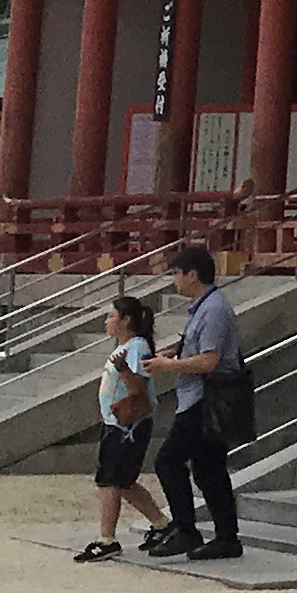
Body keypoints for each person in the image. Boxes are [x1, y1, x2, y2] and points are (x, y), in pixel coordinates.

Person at [142, 240, 246, 562]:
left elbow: (209, 360)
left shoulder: (213, 309)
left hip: (204, 398)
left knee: (169, 461)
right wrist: (174, 353)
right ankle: (225, 537)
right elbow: (199, 349)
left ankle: (187, 530)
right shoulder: (204, 306)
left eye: (177, 273)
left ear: (193, 275)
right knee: (208, 468)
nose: (175, 280)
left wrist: (168, 366)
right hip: (198, 396)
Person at [75, 291, 167, 565]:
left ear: (125, 320)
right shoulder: (130, 347)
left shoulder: (136, 347)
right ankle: (161, 523)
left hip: (126, 425)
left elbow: (138, 386)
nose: (107, 321)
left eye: (111, 316)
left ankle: (107, 539)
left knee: (110, 480)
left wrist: (124, 369)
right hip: (118, 423)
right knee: (123, 481)